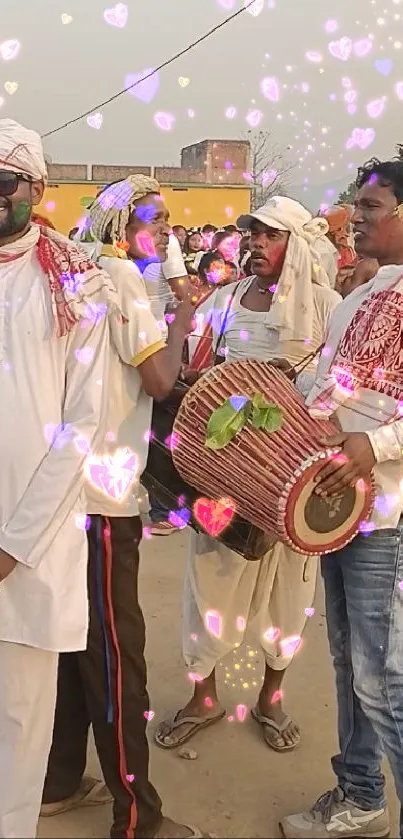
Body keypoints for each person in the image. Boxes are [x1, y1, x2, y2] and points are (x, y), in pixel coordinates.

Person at [41, 175, 211, 839]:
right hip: (104, 498)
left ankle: (57, 780)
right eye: (155, 218)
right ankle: (137, 817)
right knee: (118, 657)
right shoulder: (123, 281)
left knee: (72, 644)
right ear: (121, 227)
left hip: (63, 492)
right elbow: (161, 378)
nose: (167, 229)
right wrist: (184, 318)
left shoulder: (79, 275)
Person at [155, 196, 341, 754]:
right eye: (252, 234)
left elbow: (337, 387)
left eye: (269, 235)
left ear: (295, 245)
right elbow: (197, 369)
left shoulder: (330, 306)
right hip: (226, 470)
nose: (257, 243)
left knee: (291, 588)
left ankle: (271, 697)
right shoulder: (229, 299)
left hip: (292, 473)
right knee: (208, 580)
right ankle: (204, 695)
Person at [281, 158, 403, 838]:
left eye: (374, 205)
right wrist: (291, 401)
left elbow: (378, 422)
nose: (356, 217)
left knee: (381, 681)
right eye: (357, 204)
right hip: (334, 507)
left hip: (384, 516)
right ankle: (360, 797)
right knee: (348, 665)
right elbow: (332, 387)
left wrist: (374, 447)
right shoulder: (360, 296)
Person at [0, 119, 114, 838]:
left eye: (0, 182)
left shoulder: (76, 280)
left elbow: (78, 428)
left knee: (19, 724)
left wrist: (11, 545)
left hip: (29, 551)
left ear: (36, 190)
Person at [142, 232, 191, 536]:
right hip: (120, 347)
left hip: (157, 346)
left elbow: (182, 293)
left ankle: (167, 509)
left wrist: (176, 339)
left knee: (159, 432)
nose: (161, 226)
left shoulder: (166, 242)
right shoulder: (102, 249)